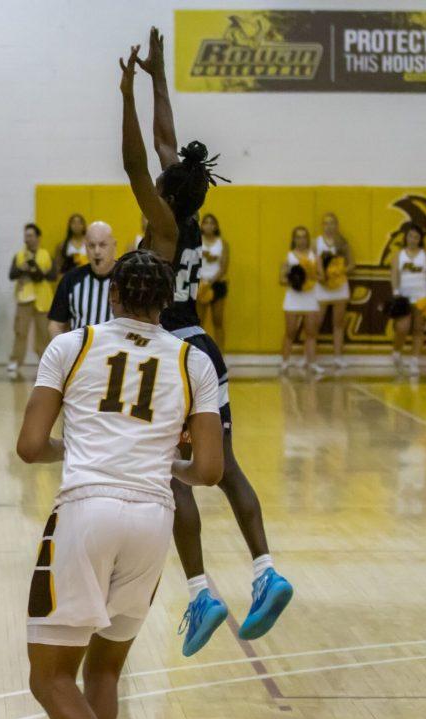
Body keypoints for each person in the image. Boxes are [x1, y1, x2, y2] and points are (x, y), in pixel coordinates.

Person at [18, 249, 223, 719]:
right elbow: (208, 470)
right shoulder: (193, 361)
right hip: (153, 519)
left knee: (49, 676)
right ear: (167, 302)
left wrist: (78, 446)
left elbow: (30, 447)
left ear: (112, 294)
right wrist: (162, 463)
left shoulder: (72, 345)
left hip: (87, 511)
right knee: (105, 671)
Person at [124, 27, 292, 658]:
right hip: (204, 344)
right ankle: (265, 570)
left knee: (176, 481)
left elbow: (143, 161)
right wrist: (159, 77)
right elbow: (171, 146)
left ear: (166, 194)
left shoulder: (162, 226)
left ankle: (200, 592)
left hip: (170, 350)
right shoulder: (187, 212)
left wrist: (128, 92)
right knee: (229, 471)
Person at [48, 221, 117, 336]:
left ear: (114, 245)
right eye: (91, 246)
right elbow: (55, 325)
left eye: (102, 245)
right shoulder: (71, 279)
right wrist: (64, 351)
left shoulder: (128, 278)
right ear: (85, 247)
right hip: (81, 352)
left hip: (116, 352)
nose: (97, 251)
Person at [8, 223, 56, 375]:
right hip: (24, 298)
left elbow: (52, 275)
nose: (27, 239)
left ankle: (46, 363)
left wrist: (37, 271)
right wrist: (22, 268)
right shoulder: (19, 256)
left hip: (43, 300)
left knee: (43, 333)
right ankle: (15, 361)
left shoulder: (46, 255)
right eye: (25, 236)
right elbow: (11, 274)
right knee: (20, 331)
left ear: (37, 237)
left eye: (30, 235)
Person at [281, 226, 322, 374]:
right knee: (290, 332)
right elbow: (281, 278)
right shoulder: (289, 256)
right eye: (298, 237)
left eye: (304, 237)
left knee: (311, 333)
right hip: (293, 298)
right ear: (294, 239)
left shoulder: (314, 256)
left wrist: (310, 276)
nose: (301, 240)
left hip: (310, 297)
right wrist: (294, 279)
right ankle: (285, 363)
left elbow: (321, 276)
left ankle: (312, 363)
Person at [314, 212, 352, 370]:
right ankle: (311, 358)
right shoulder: (315, 242)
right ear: (322, 225)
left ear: (337, 225)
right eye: (326, 223)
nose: (329, 226)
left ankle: (338, 357)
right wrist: (321, 276)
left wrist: (339, 273)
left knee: (338, 324)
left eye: (332, 223)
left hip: (340, 287)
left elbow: (352, 264)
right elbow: (310, 264)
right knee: (316, 324)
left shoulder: (343, 242)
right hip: (322, 287)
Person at [390, 223, 425, 376]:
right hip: (403, 297)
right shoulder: (399, 255)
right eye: (410, 236)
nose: (413, 239)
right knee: (402, 328)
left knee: (418, 329)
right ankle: (396, 352)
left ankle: (414, 361)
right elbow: (394, 275)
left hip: (421, 297)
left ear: (420, 239)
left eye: (416, 237)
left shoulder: (424, 255)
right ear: (406, 237)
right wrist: (396, 292)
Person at [195, 213, 228, 347]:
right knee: (199, 321)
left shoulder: (223, 243)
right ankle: (200, 352)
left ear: (216, 226)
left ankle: (221, 355)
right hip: (200, 283)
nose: (209, 226)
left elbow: (223, 267)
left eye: (212, 223)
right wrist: (202, 281)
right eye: (206, 222)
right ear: (201, 225)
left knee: (218, 320)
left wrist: (210, 282)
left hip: (216, 284)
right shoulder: (196, 241)